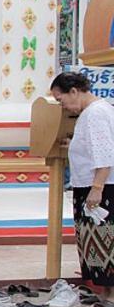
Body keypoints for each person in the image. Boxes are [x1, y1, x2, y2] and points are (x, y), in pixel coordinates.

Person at [50, 71, 114, 294]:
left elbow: (104, 154)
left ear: (74, 91)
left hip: (98, 187)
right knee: (96, 242)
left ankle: (109, 298)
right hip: (93, 185)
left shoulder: (95, 113)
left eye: (61, 100)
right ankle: (105, 296)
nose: (63, 106)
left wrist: (97, 189)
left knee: (104, 243)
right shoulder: (94, 112)